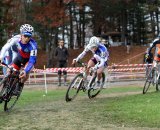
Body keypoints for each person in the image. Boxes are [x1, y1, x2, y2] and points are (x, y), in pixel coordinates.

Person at [0, 24, 37, 95]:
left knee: (25, 74)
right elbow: (5, 47)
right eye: (25, 36)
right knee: (9, 71)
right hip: (19, 58)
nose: (27, 38)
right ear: (21, 34)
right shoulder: (15, 38)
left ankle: (20, 85)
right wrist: (1, 57)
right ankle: (7, 86)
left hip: (29, 61)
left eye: (29, 36)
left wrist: (25, 71)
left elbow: (32, 60)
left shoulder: (33, 45)